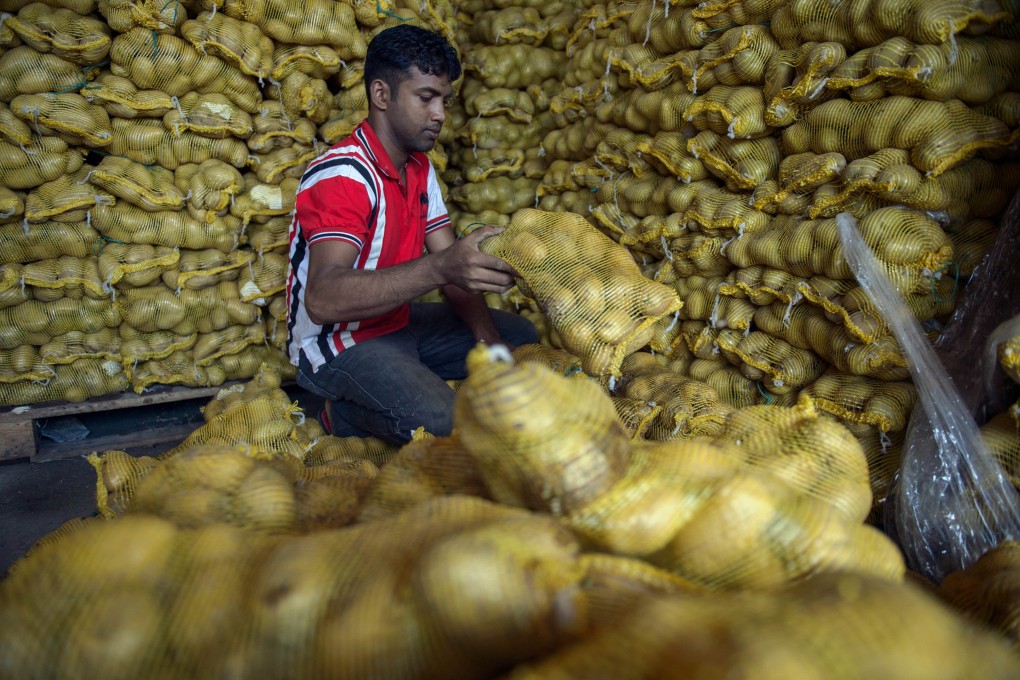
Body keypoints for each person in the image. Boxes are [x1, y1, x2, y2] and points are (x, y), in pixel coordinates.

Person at [285, 24, 538, 443]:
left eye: (444, 100)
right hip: (338, 342)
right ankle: (341, 416)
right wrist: (441, 267)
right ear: (381, 95)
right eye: (426, 98)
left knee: (519, 339)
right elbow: (324, 299)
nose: (439, 114)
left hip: (396, 322)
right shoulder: (344, 173)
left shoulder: (420, 169)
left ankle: (405, 375)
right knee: (442, 423)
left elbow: (451, 264)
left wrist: (488, 342)